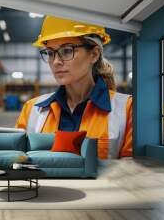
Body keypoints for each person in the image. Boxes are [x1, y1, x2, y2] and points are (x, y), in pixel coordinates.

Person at [15, 16, 132, 159]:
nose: (56, 62)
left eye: (66, 51)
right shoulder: (32, 109)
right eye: (50, 53)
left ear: (94, 54)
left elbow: (133, 172)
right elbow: (18, 161)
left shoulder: (126, 109)